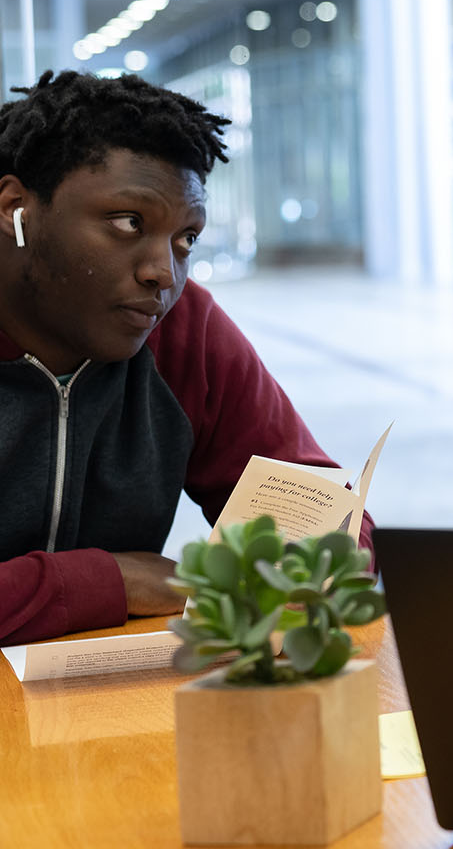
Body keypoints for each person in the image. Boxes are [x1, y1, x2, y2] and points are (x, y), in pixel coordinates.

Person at [0, 70, 375, 646]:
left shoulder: (181, 330)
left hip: (105, 709)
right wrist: (111, 581)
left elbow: (321, 515)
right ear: (15, 208)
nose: (163, 273)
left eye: (186, 239)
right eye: (129, 223)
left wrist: (313, 550)